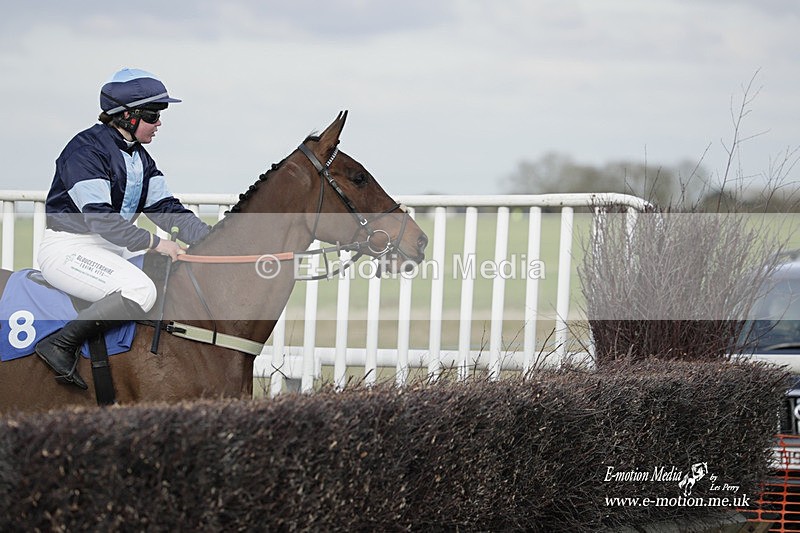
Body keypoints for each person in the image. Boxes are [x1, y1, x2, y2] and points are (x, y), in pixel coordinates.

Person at [35, 68, 211, 390]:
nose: (159, 123)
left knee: (169, 277)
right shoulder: (85, 151)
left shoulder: (140, 159)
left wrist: (217, 241)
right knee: (140, 291)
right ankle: (60, 345)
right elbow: (100, 220)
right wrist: (157, 243)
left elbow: (167, 210)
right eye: (153, 115)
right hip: (69, 248)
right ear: (128, 116)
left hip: (109, 246)